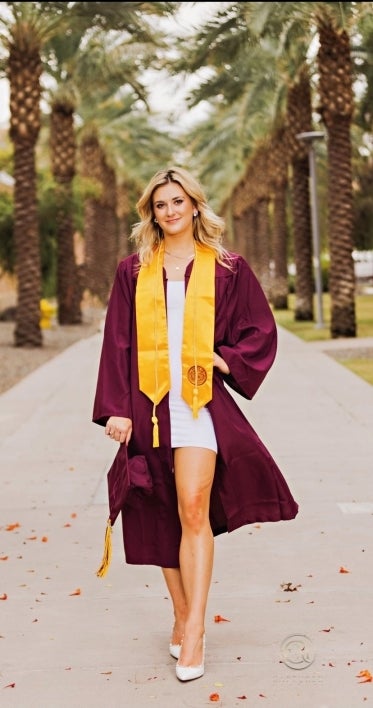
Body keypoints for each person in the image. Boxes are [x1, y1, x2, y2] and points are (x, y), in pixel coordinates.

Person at [92, 166, 298, 682]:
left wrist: (226, 359)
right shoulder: (133, 270)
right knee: (161, 507)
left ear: (195, 205)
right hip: (147, 406)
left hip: (199, 402)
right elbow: (117, 340)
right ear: (152, 213)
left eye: (178, 201)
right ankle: (181, 615)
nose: (170, 211)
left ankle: (197, 631)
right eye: (160, 204)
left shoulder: (226, 266)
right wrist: (116, 408)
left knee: (191, 504)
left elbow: (259, 327)